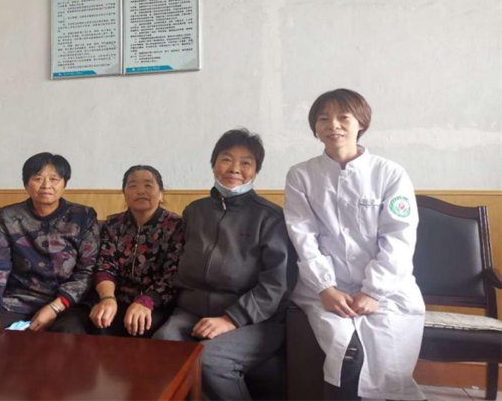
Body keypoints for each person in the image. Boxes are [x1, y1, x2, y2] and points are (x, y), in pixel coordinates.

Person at [283, 89, 425, 400]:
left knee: (387, 366)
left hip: (388, 290)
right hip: (324, 289)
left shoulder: (389, 174)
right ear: (315, 127)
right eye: (323, 118)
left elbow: (399, 238)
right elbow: (303, 236)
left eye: (343, 117)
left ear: (361, 122)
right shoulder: (301, 175)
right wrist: (325, 287)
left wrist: (374, 291)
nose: (333, 125)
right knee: (348, 353)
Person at [154, 128, 295, 401]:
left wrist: (231, 319)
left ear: (256, 171)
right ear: (214, 164)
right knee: (164, 346)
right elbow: (176, 264)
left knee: (209, 360)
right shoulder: (194, 211)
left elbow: (276, 284)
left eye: (246, 162)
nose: (235, 169)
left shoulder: (270, 217)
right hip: (192, 312)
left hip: (253, 320)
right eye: (227, 159)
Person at [0, 152, 99, 334]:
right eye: (38, 178)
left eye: (54, 179)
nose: (46, 185)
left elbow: (87, 271)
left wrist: (56, 307)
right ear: (26, 184)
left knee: (69, 337)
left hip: (68, 303)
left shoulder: (83, 217)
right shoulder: (8, 217)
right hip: (17, 300)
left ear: (64, 184)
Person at [89, 165, 183, 338]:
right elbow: (105, 265)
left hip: (157, 303)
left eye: (148, 185)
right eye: (132, 185)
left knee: (143, 328)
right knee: (99, 325)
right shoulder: (113, 224)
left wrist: (146, 301)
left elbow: (173, 274)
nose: (140, 191)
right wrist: (107, 298)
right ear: (124, 193)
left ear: (161, 193)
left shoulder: (176, 225)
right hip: (117, 299)